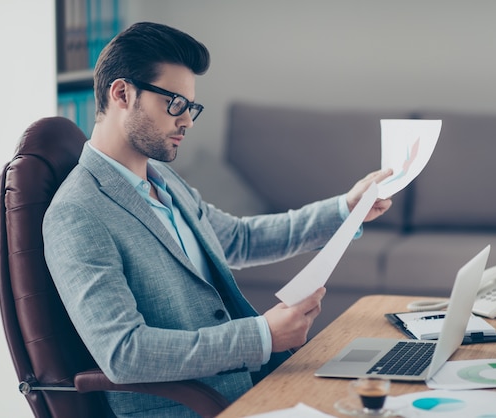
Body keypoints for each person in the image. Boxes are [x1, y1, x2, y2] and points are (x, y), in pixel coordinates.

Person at [42, 21, 393, 418]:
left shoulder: (162, 178)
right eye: (174, 103)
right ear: (122, 93)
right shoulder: (78, 212)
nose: (187, 121)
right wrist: (261, 336)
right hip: (189, 408)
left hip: (249, 387)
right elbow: (124, 352)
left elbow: (239, 239)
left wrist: (346, 208)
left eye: (191, 107)